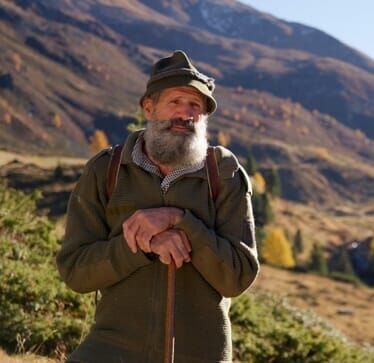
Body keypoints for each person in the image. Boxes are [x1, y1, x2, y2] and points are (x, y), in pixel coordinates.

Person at [56, 50, 260, 362]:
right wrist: (144, 245)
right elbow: (75, 271)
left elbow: (238, 277)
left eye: (195, 106)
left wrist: (180, 221)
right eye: (175, 102)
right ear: (149, 108)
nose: (185, 114)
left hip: (200, 354)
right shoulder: (106, 170)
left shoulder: (224, 172)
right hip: (112, 351)